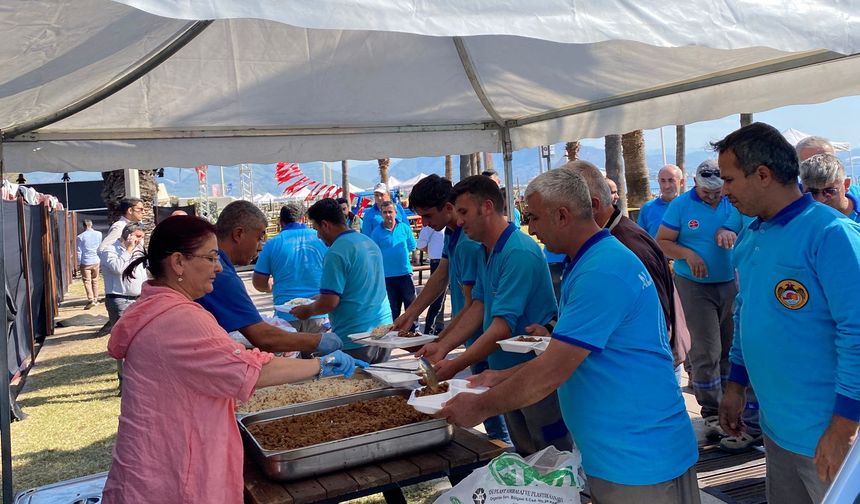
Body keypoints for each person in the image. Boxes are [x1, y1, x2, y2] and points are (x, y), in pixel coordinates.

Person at [440, 169, 699, 504]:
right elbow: (568, 353)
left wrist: (479, 407)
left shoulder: (600, 271)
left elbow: (550, 372)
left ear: (562, 215)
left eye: (532, 217)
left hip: (639, 458)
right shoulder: (592, 260)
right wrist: (500, 376)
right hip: (626, 452)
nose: (530, 228)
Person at [102, 216, 363, 503]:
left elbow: (219, 364)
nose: (218, 267)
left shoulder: (155, 306)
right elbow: (247, 372)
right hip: (172, 475)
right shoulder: (181, 318)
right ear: (178, 263)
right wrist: (320, 365)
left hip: (152, 462)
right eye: (212, 257)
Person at [715, 122, 860, 503]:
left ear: (762, 175)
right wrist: (735, 383)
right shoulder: (753, 235)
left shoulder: (831, 234)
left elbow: (857, 332)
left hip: (829, 436)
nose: (723, 190)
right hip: (777, 430)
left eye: (729, 180)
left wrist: (844, 428)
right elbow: (747, 311)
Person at [418, 175, 570, 455]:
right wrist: (443, 347)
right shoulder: (486, 251)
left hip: (532, 376)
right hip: (502, 376)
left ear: (487, 207)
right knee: (525, 454)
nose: (459, 221)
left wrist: (454, 364)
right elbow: (478, 307)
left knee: (553, 456)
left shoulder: (518, 252)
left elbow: (501, 327)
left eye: (463, 212)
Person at [394, 174, 511, 443]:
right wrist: (411, 313)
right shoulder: (451, 234)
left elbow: (473, 305)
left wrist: (443, 342)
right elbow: (440, 276)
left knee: (490, 408)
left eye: (427, 216)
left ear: (448, 208)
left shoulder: (469, 242)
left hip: (481, 333)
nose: (425, 224)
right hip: (468, 332)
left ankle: (503, 454)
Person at [656, 160, 744, 440]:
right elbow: (663, 241)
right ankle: (710, 411)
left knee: (731, 347)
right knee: (706, 350)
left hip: (729, 282)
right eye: (707, 192)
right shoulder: (681, 206)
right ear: (695, 184)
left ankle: (734, 409)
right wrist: (688, 255)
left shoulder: (732, 201)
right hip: (694, 285)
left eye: (717, 192)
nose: (713, 197)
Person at [561, 161, 677, 363]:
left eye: (563, 212)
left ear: (593, 206)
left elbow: (658, 319)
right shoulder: (606, 241)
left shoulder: (627, 244)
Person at [197, 201, 341, 356]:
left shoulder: (273, 244)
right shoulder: (223, 276)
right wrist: (318, 341)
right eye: (259, 238)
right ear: (238, 234)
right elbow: (262, 336)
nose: (260, 246)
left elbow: (259, 284)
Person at [292, 198, 393, 364]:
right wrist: (320, 297)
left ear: (325, 224)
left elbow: (329, 303)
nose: (318, 235)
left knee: (359, 385)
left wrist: (307, 311)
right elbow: (359, 286)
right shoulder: (367, 242)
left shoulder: (336, 251)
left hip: (356, 335)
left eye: (317, 229)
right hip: (383, 329)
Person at [252, 203, 329, 332]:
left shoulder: (272, 244)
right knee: (321, 351)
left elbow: (259, 283)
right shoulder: (321, 239)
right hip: (318, 311)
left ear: (281, 222)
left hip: (286, 315)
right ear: (303, 219)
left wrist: (270, 286)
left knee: (290, 352)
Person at [100, 222, 148, 393]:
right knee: (124, 341)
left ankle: (139, 378)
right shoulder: (109, 250)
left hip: (139, 298)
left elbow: (143, 271)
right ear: (128, 235)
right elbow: (119, 268)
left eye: (142, 237)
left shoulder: (139, 250)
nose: (139, 241)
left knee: (141, 339)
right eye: (137, 237)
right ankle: (124, 380)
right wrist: (128, 249)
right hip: (119, 299)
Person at [370, 200, 417, 319]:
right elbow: (374, 255)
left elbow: (412, 246)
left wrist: (412, 257)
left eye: (390, 212)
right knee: (392, 310)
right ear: (381, 214)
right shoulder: (376, 233)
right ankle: (393, 334)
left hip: (405, 274)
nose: (388, 215)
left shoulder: (404, 228)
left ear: (396, 213)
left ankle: (413, 332)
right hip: (387, 277)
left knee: (411, 306)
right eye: (385, 212)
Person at [799, 154, 860, 222]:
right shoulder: (800, 220)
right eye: (813, 192)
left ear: (846, 185)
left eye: (829, 191)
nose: (821, 199)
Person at [415, 223, 446, 334]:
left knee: (445, 298)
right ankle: (430, 328)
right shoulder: (432, 224)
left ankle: (439, 327)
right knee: (437, 298)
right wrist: (434, 252)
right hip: (438, 260)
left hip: (450, 260)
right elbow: (421, 244)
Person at [638, 164, 684, 237]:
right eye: (663, 181)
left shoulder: (690, 206)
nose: (667, 186)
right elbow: (641, 239)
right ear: (658, 182)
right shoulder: (648, 208)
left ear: (681, 182)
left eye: (671, 180)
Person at [76, 219, 102, 309]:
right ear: (91, 225)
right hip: (96, 260)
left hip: (86, 261)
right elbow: (100, 246)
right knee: (95, 280)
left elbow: (79, 251)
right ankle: (96, 298)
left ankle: (90, 299)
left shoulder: (80, 237)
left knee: (87, 281)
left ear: (84, 226)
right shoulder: (99, 234)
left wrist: (79, 263)